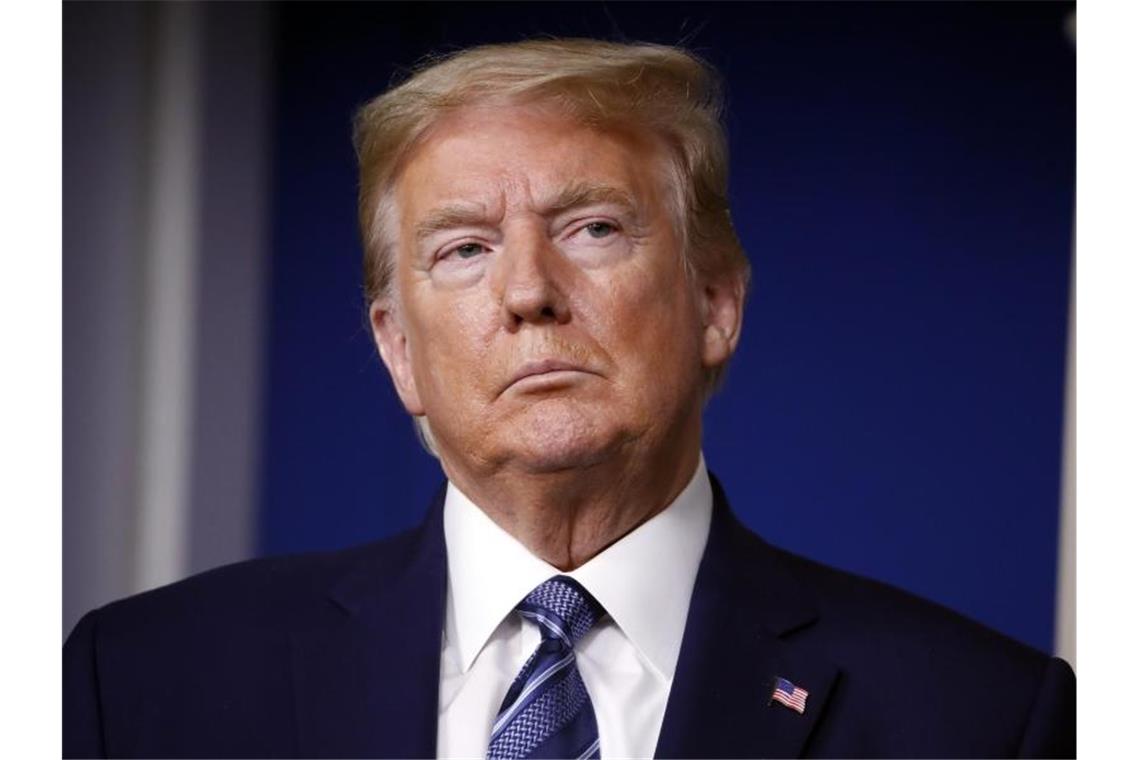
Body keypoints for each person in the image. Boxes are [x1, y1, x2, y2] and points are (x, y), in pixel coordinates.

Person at [63, 39, 1075, 759]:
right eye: (463, 248)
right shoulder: (144, 682)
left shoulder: (981, 719)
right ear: (398, 350)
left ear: (716, 301)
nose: (529, 291)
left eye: (592, 227)